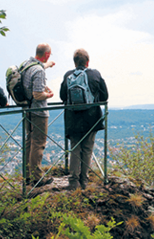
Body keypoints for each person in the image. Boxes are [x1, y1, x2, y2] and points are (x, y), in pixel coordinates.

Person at [60, 48, 109, 190]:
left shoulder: (68, 75)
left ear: (74, 62)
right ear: (88, 62)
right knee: (87, 148)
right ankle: (84, 181)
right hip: (91, 118)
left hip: (72, 118)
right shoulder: (95, 74)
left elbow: (63, 96)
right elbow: (105, 96)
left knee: (75, 148)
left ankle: (73, 182)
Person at [22, 43, 55, 186]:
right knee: (38, 144)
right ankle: (37, 177)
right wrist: (48, 95)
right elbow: (37, 95)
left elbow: (39, 67)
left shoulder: (26, 65)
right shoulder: (39, 71)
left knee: (29, 142)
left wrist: (48, 64)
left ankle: (27, 176)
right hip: (38, 112)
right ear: (47, 55)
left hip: (27, 110)